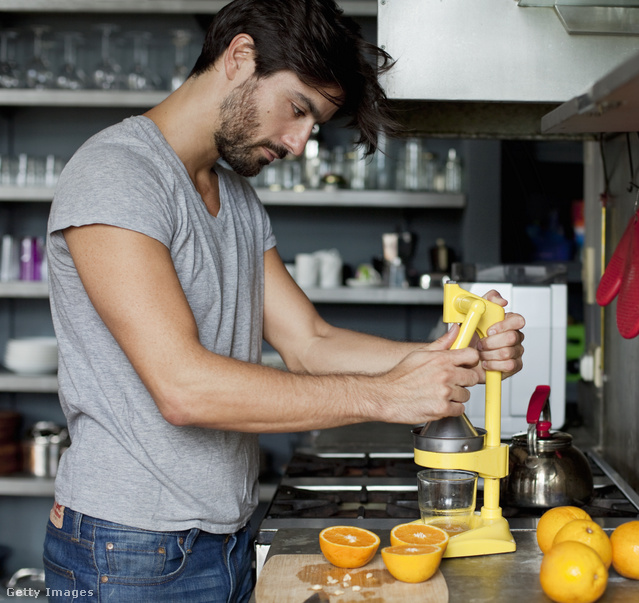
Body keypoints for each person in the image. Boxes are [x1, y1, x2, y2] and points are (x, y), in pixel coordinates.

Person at [42, 0, 526, 601]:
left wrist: (453, 357)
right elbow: (183, 388)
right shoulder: (119, 173)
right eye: (298, 109)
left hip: (225, 536)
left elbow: (309, 342)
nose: (299, 142)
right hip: (127, 547)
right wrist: (387, 395)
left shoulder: (236, 197)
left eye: (314, 124)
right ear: (241, 57)